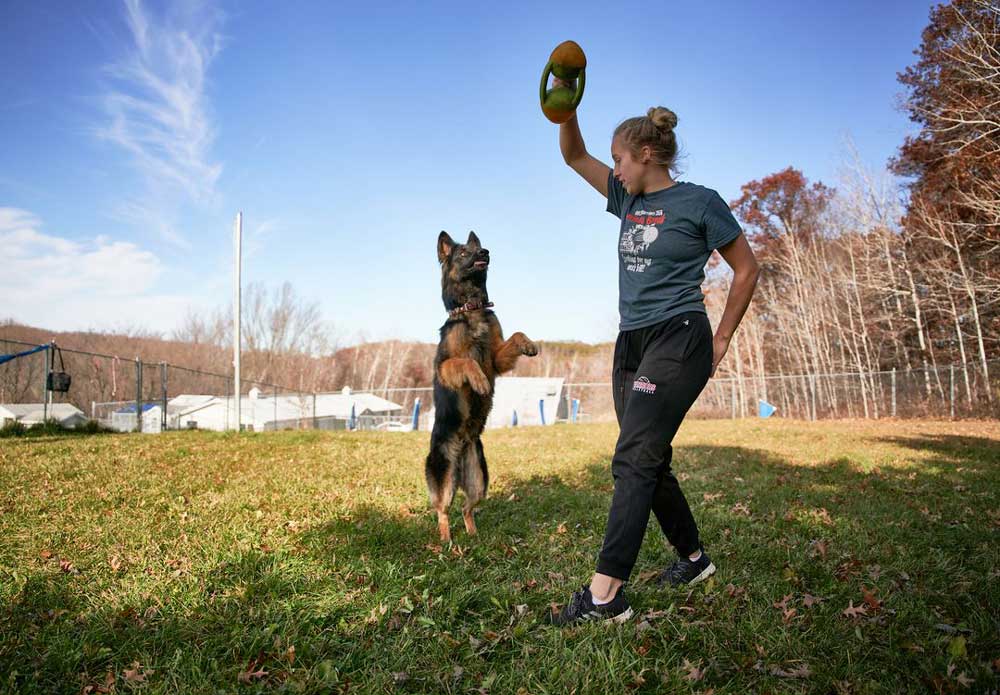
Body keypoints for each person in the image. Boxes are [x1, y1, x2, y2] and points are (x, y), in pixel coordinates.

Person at [550, 99, 760, 626]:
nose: (614, 168)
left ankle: (604, 597)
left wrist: (723, 337)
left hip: (680, 335)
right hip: (631, 342)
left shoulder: (699, 202)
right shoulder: (626, 199)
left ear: (646, 154)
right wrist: (568, 108)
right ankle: (694, 561)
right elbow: (574, 155)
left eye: (620, 158)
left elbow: (746, 269)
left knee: (635, 457)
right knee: (651, 455)